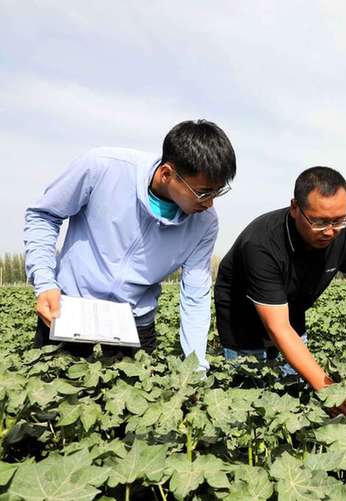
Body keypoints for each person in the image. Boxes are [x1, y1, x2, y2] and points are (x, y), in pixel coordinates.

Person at [24, 119, 236, 371]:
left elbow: (195, 293)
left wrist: (196, 367)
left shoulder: (205, 223)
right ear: (167, 174)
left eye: (217, 192)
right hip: (70, 313)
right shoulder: (102, 167)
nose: (210, 203)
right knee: (52, 401)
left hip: (134, 325)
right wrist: (45, 282)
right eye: (203, 192)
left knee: (136, 404)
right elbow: (44, 216)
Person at [214, 166, 346, 414]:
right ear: (295, 208)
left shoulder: (344, 234)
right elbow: (278, 327)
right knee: (251, 405)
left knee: (294, 394)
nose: (330, 231)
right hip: (242, 321)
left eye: (338, 219)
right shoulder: (261, 244)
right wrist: (328, 390)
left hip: (292, 310)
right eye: (319, 221)